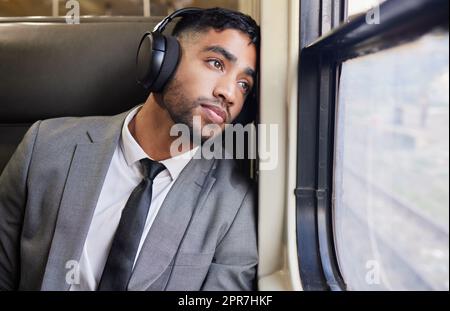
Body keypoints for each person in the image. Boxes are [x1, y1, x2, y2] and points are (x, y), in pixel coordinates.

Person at [0, 8, 259, 291]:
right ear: (161, 61)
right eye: (216, 63)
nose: (230, 94)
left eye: (244, 84)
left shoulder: (236, 201)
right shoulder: (45, 146)